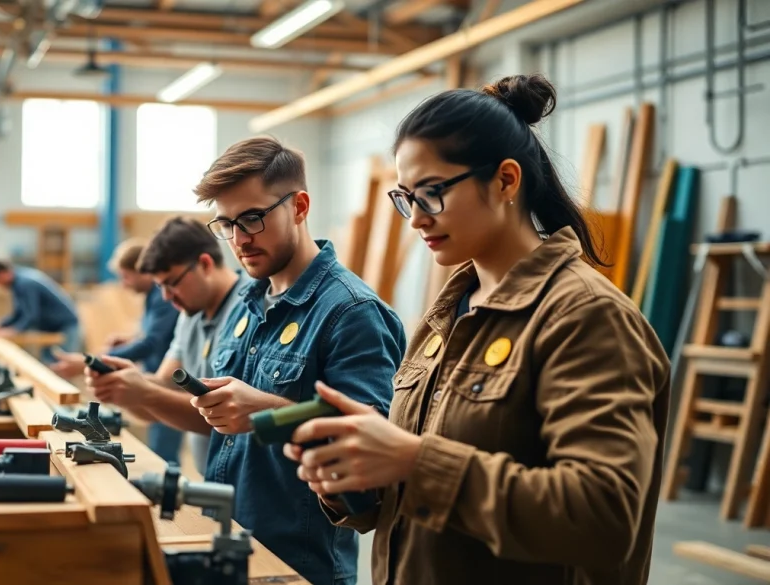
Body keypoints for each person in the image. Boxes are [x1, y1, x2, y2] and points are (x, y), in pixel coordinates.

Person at [285, 74, 671, 585]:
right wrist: (355, 477)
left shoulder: (584, 316)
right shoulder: (447, 316)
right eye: (407, 198)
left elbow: (604, 515)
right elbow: (412, 502)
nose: (417, 219)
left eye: (433, 193)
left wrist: (414, 461)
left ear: (506, 181)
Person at [92, 137, 405, 585]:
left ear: (299, 206)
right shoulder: (245, 301)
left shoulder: (351, 313)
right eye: (227, 224)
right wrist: (150, 393)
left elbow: (370, 451)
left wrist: (268, 411)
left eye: (253, 219)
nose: (239, 239)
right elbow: (224, 422)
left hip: (296, 565)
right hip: (229, 541)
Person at [82, 217, 249, 476]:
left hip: (249, 479)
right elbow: (164, 386)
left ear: (204, 264)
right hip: (213, 474)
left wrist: (144, 393)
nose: (166, 297)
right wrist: (124, 384)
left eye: (171, 283)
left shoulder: (250, 308)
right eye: (160, 286)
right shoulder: (189, 314)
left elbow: (226, 417)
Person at [99, 238, 183, 465]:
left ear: (143, 271)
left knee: (163, 450)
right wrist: (129, 340)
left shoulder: (162, 297)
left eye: (126, 276)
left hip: (168, 381)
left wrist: (105, 360)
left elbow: (152, 343)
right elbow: (150, 334)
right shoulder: (151, 296)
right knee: (157, 443)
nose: (124, 284)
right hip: (154, 374)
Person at [0, 260, 82, 357]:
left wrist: (14, 330)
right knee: (49, 362)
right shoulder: (18, 283)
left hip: (65, 326)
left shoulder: (25, 284)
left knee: (62, 363)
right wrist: (1, 325)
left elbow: (31, 315)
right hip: (51, 328)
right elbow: (19, 313)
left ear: (3, 274)